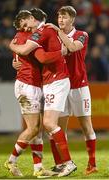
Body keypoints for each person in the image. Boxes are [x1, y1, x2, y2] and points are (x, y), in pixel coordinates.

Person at [9, 8, 77, 177]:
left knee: (44, 126)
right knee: (38, 128)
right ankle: (37, 166)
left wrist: (11, 46)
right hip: (37, 84)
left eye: (26, 25)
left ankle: (63, 163)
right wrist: (14, 53)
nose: (25, 29)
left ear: (32, 19)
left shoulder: (41, 31)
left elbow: (40, 57)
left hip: (52, 81)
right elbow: (30, 55)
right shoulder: (42, 31)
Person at [46, 6, 97, 175]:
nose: (60, 20)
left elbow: (72, 47)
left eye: (64, 17)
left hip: (79, 86)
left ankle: (92, 163)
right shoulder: (54, 36)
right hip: (60, 86)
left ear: (72, 19)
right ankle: (60, 163)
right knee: (58, 127)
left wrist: (58, 33)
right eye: (59, 17)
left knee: (85, 126)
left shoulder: (82, 34)